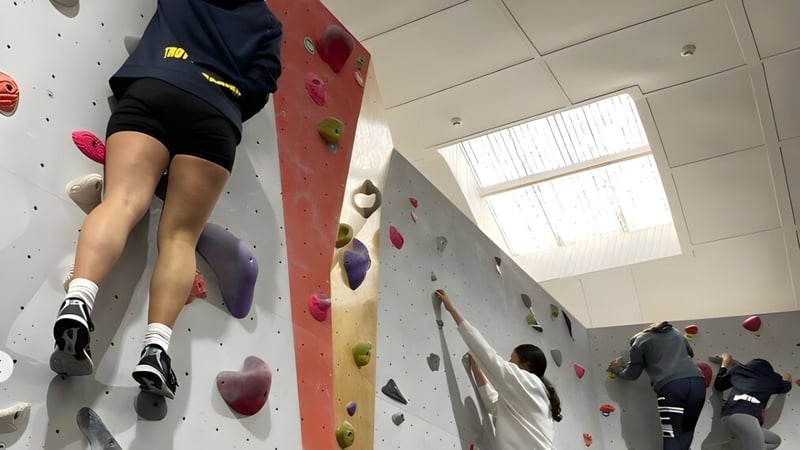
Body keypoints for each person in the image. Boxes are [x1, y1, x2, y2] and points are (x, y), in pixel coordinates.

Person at [49, 0, 283, 400]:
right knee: (179, 238)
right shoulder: (268, 25)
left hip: (157, 82)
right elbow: (262, 86)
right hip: (216, 112)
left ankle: (79, 300)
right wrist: (225, 98)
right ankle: (156, 350)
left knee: (121, 202)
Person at [435, 289, 561, 450]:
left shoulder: (530, 383)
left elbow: (489, 357)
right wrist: (477, 370)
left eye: (512, 359)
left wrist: (452, 310)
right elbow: (494, 405)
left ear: (526, 365)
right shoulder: (531, 396)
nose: (508, 362)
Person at [608, 321, 705, 450]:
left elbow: (632, 374)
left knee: (671, 434)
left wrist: (617, 369)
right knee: (687, 430)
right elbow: (690, 353)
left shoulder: (639, 342)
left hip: (672, 387)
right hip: (698, 383)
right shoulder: (675, 332)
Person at [713, 353, 791, 450]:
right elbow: (786, 387)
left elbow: (719, 385)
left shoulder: (739, 370)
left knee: (774, 441)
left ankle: (728, 446)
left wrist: (724, 364)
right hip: (747, 418)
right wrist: (787, 379)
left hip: (727, 417)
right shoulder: (773, 379)